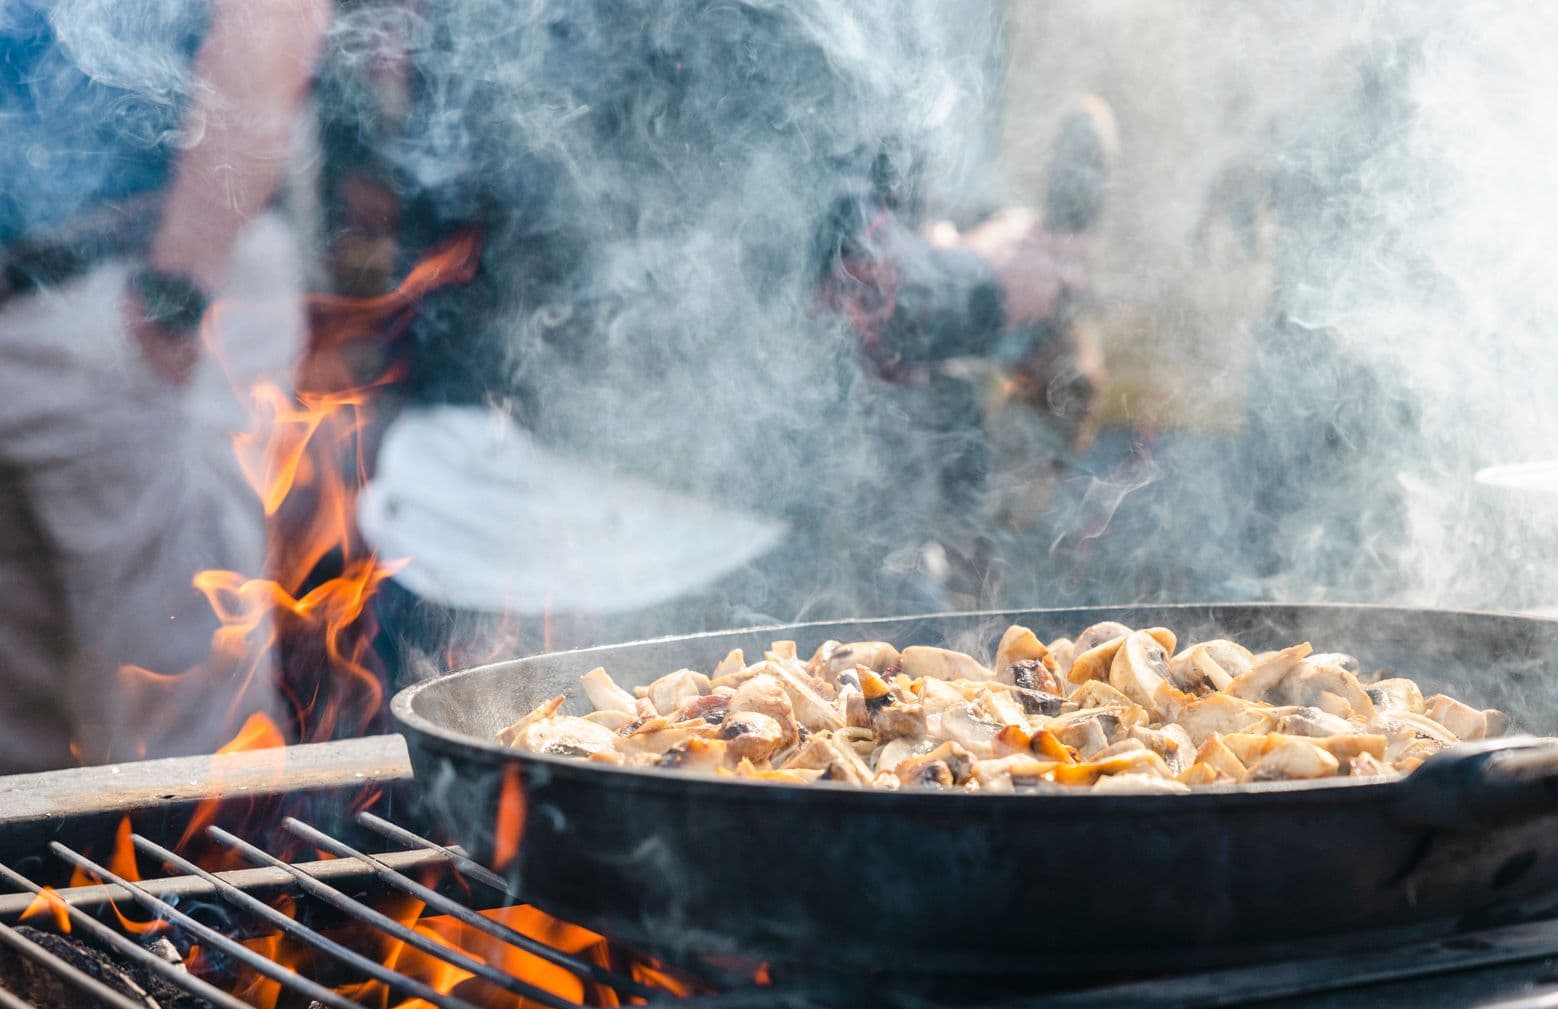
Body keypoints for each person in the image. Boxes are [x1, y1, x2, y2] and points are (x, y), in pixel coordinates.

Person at [350, 0, 1090, 681]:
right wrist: (990, 280)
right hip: (658, 573)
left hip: (439, 527)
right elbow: (846, 289)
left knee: (453, 818)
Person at [0, 0, 328, 771]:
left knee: (184, 714)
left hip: (133, 298)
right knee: (21, 737)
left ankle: (212, 894)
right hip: (41, 308)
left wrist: (176, 292)